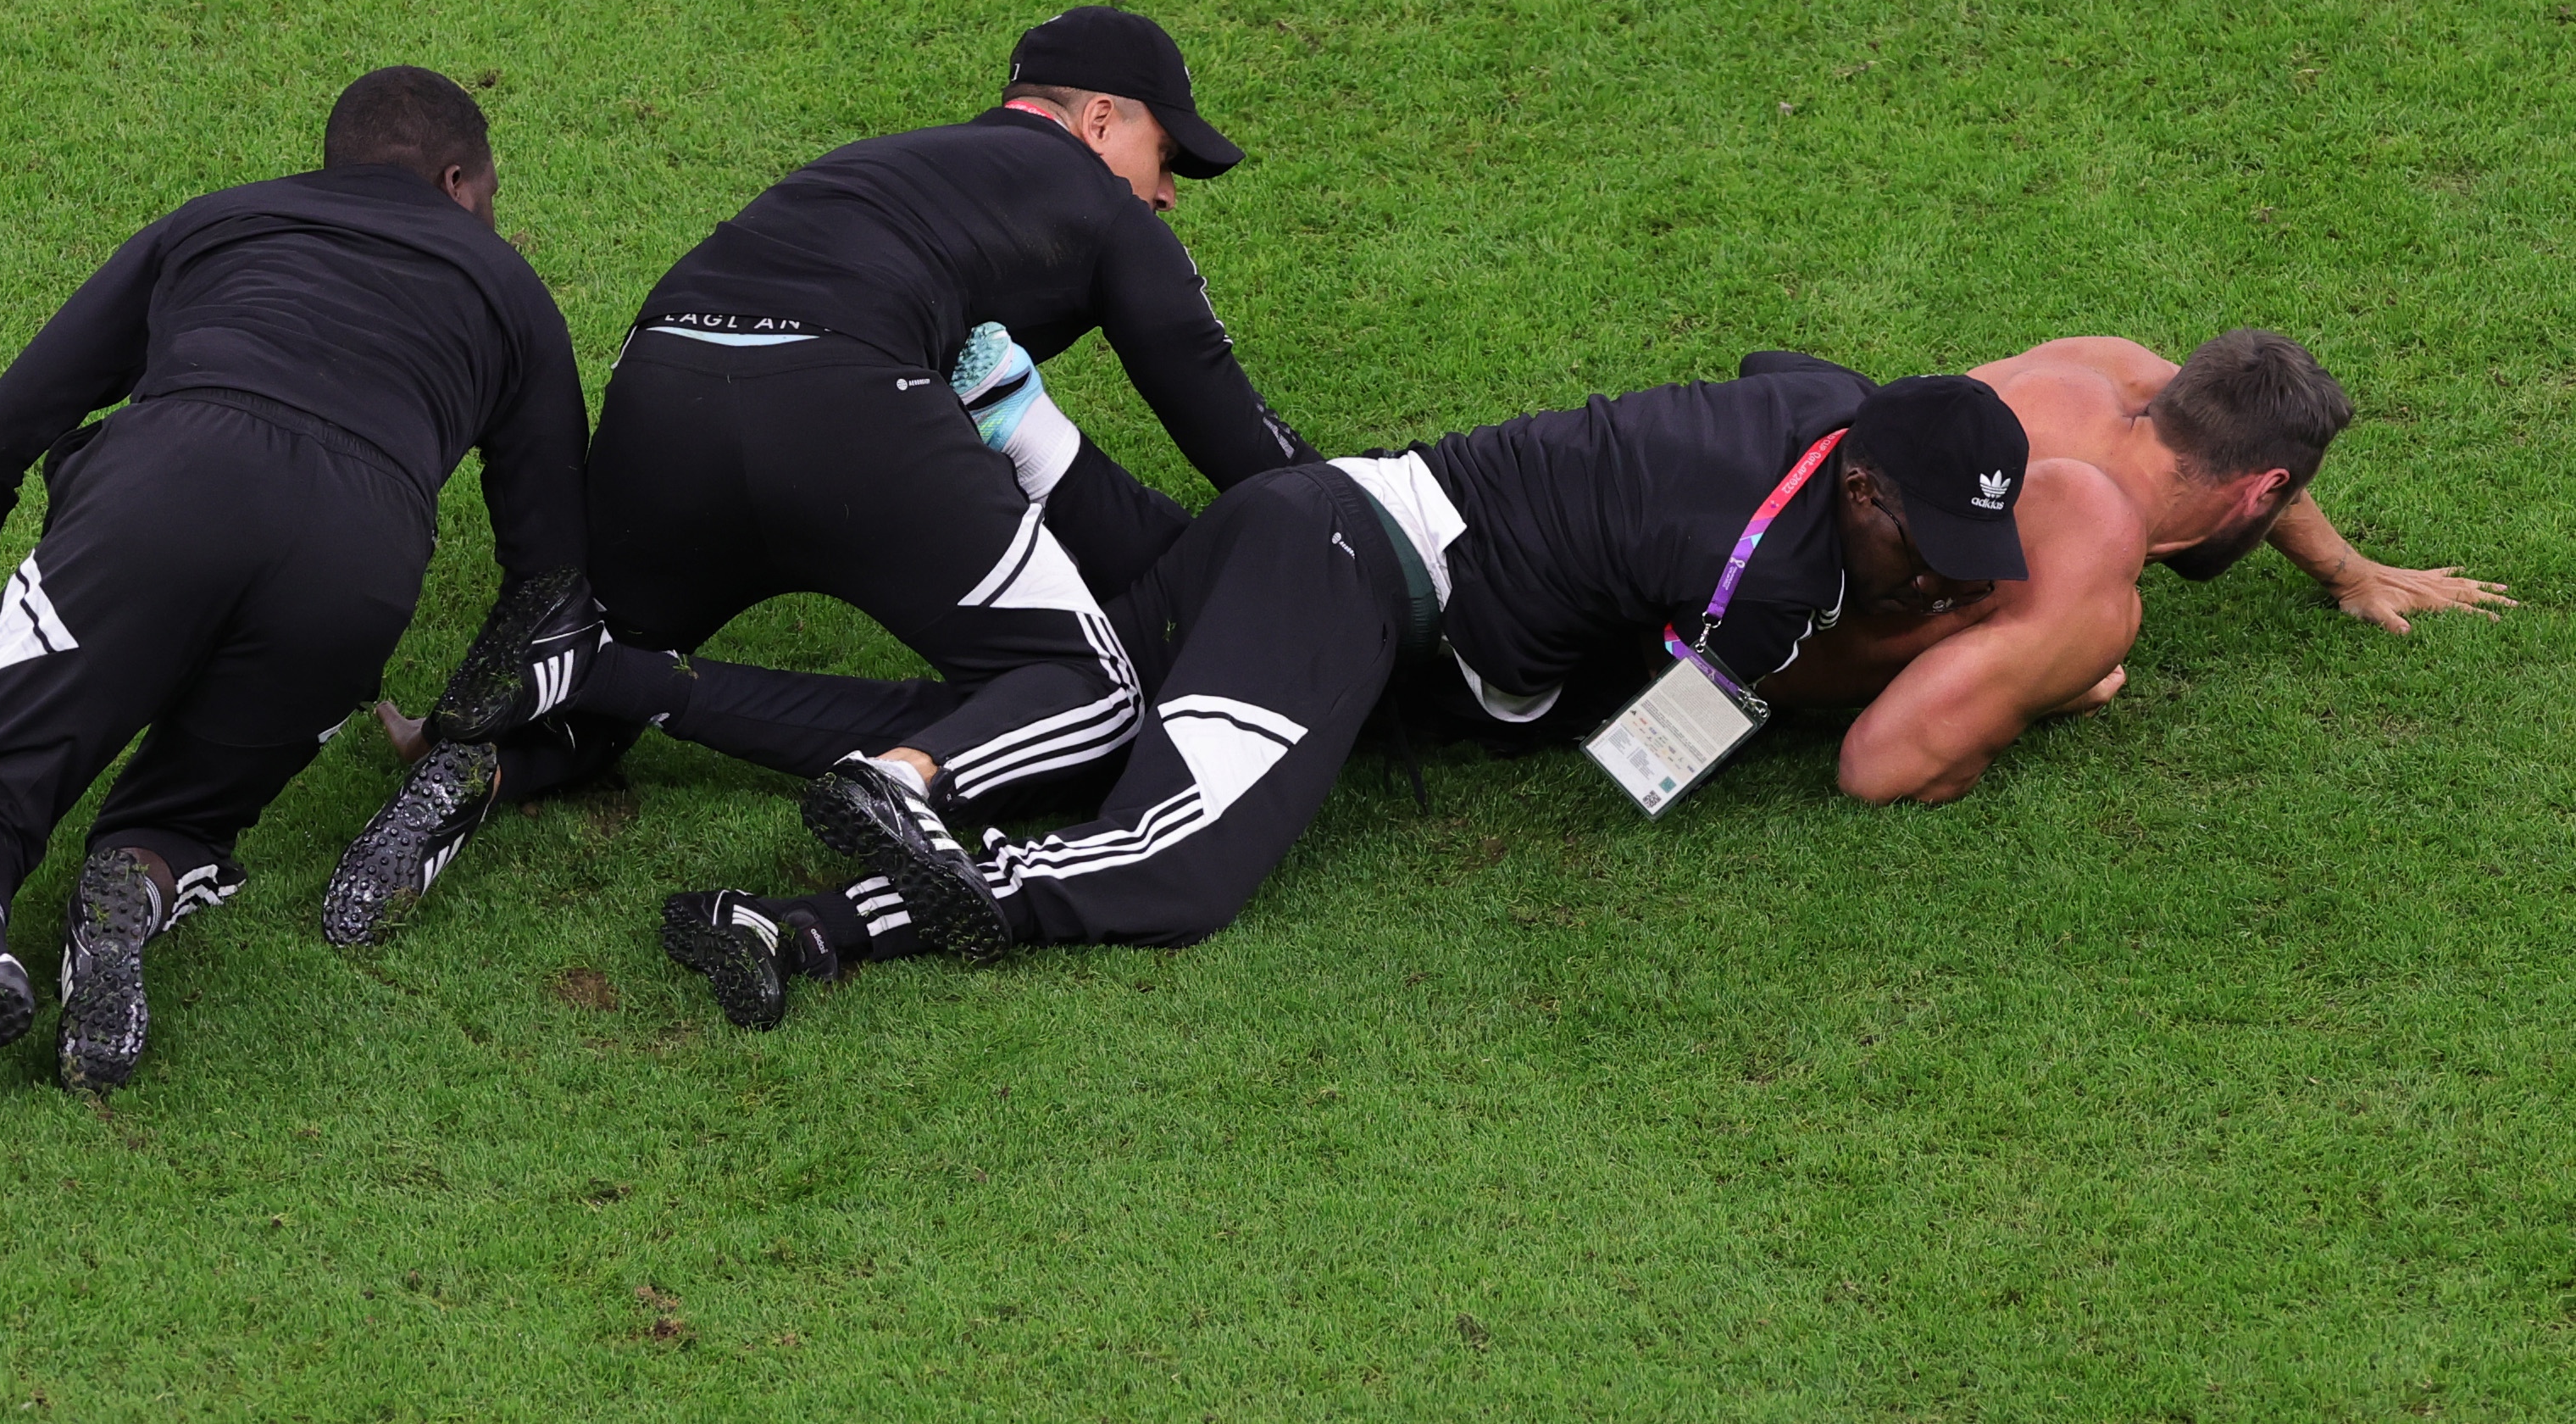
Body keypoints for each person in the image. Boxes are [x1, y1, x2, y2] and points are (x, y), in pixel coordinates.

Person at [323, 7, 1319, 943]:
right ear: (1101, 120)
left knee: (610, 669)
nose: (1167, 190)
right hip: (847, 400)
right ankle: (886, 776)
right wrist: (1375, 526)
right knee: (1091, 694)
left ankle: (498, 744)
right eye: (1166, 155)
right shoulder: (1101, 206)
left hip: (665, 380)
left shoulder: (880, 165)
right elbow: (1234, 435)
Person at [655, 359, 2037, 1028]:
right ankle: (846, 905)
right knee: (1179, 861)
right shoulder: (1768, 575)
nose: (1940, 586)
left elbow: (1763, 374)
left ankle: (707, 822)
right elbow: (1644, 761)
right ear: (1860, 487)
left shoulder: (1832, 409)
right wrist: (1942, 684)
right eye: (1925, 551)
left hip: (1317, 527)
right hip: (1345, 581)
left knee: (1038, 735)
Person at [0, 69, 591, 1126]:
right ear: (459, 182)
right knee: (190, 809)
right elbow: (551, 570)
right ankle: (126, 895)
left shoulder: (218, 221)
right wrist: (454, 728)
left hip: (169, 488)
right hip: (362, 552)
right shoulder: (511, 290)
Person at [1767, 329, 2507, 804]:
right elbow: (1878, 770)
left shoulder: (2104, 367)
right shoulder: (2093, 559)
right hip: (1746, 641)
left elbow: (2248, 447)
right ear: (2264, 490)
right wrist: (2050, 689)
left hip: (1762, 496)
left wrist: (2348, 572)